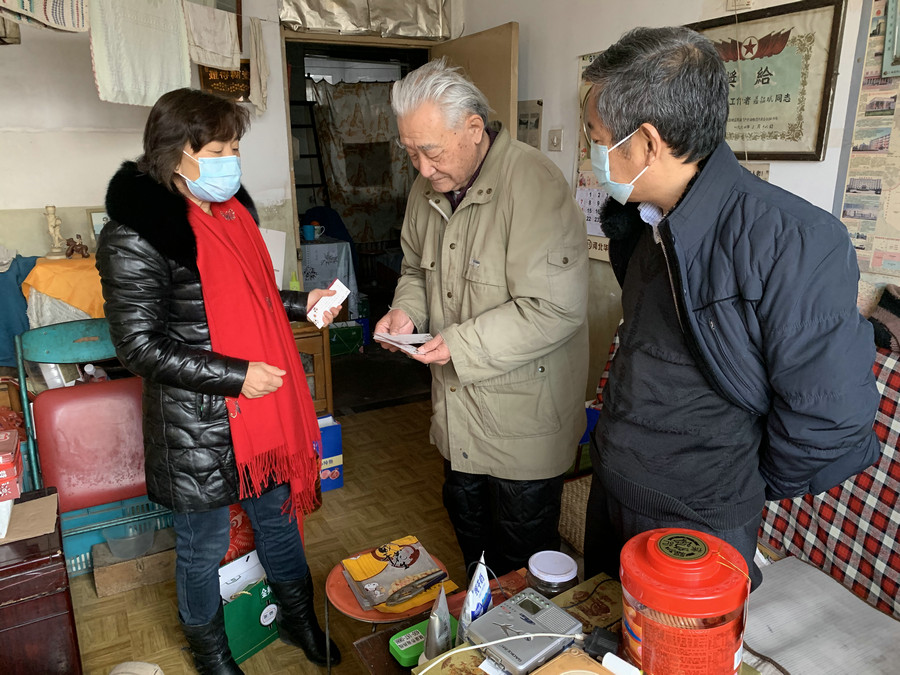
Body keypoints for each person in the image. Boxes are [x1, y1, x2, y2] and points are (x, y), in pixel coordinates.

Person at [580, 26, 880, 589]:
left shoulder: (796, 241)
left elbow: (831, 420)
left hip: (698, 516)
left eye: (594, 138)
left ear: (647, 144)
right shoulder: (641, 225)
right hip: (616, 481)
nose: (588, 152)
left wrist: (730, 485)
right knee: (604, 626)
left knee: (677, 641)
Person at [96, 88, 342, 674]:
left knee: (278, 523)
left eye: (235, 148)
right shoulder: (138, 232)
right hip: (196, 425)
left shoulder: (231, 212)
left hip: (260, 413)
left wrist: (300, 302)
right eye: (218, 151)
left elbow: (250, 297)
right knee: (202, 547)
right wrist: (236, 377)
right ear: (176, 153)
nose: (232, 162)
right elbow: (138, 346)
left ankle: (298, 619)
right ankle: (211, 656)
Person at [375, 58, 589, 578]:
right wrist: (407, 310)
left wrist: (458, 345)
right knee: (474, 552)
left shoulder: (532, 182)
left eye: (431, 151)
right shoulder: (427, 189)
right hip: (457, 415)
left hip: (523, 424)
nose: (423, 169)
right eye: (410, 153)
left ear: (474, 128)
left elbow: (556, 307)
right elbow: (414, 267)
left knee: (522, 566)